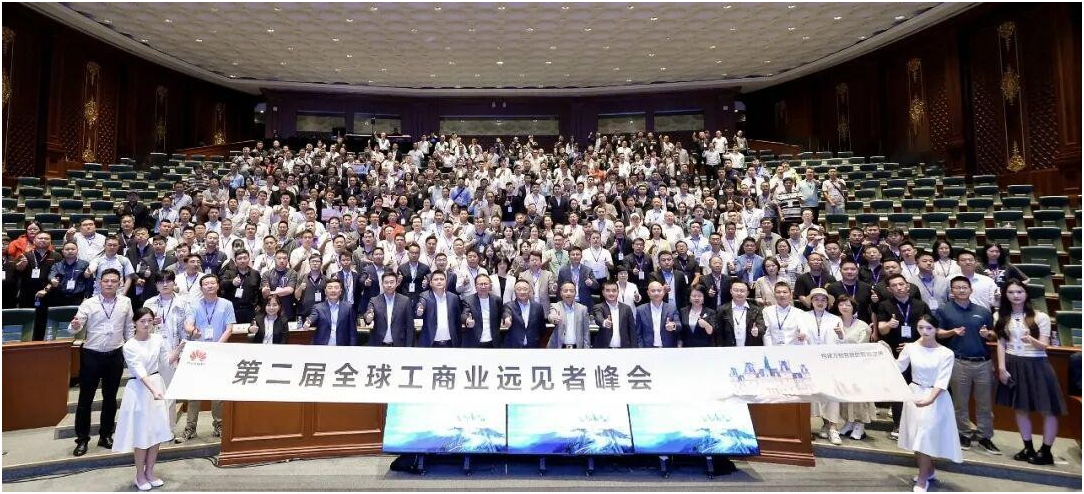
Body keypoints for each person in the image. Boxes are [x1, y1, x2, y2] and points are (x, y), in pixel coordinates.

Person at [993, 280, 1066, 465]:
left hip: (1037, 364)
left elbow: (1044, 345)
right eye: (1011, 292)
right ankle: (1028, 447)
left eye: (1019, 291)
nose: (1016, 295)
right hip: (1013, 363)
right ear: (1005, 295)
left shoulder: (1041, 316)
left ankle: (1046, 451)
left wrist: (1031, 340)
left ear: (1026, 294)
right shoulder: (999, 316)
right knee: (1020, 408)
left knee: (1048, 409)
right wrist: (1001, 367)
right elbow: (1001, 343)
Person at [67, 268, 134, 456]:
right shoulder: (89, 303)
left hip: (115, 355)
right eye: (106, 281)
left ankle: (106, 435)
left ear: (120, 283)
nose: (110, 284)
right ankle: (82, 439)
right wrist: (74, 326)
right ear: (99, 283)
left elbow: (129, 327)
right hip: (92, 355)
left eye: (114, 281)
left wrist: (131, 349)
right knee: (85, 400)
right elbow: (74, 328)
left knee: (110, 398)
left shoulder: (126, 302)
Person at [113, 308, 181, 491]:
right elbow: (139, 371)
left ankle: (150, 471)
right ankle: (139, 475)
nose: (146, 324)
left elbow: (167, 360)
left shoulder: (158, 339)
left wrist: (180, 348)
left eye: (149, 321)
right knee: (142, 434)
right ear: (134, 323)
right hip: (139, 389)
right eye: (142, 321)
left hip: (157, 383)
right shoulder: (129, 346)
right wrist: (153, 390)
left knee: (156, 431)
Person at [895, 315, 962, 493]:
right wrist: (882, 354)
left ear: (937, 330)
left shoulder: (946, 353)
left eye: (929, 328)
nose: (924, 331)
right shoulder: (910, 348)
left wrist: (930, 399)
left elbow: (942, 380)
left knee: (924, 437)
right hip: (914, 394)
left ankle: (922, 478)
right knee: (915, 436)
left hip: (936, 398)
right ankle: (929, 470)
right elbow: (898, 368)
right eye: (921, 327)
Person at [934, 275, 999, 454]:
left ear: (971, 290)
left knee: (984, 403)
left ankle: (985, 436)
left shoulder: (983, 311)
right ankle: (964, 434)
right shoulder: (944, 310)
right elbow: (937, 332)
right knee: (960, 403)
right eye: (957, 287)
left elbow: (994, 334)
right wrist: (952, 332)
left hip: (983, 362)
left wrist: (988, 335)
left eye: (964, 287)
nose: (961, 290)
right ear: (952, 291)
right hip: (958, 361)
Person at [179, 274, 236, 441]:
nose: (210, 286)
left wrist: (217, 346)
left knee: (217, 391)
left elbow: (229, 328)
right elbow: (188, 324)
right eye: (206, 284)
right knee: (194, 392)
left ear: (218, 285)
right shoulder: (194, 304)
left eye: (212, 283)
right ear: (201, 288)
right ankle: (190, 428)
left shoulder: (226, 304)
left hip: (219, 352)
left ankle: (219, 425)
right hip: (199, 354)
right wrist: (192, 330)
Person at [833, 295, 876, 440]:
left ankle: (860, 425)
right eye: (841, 304)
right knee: (845, 396)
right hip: (840, 366)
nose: (844, 307)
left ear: (854, 308)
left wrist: (842, 338)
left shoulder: (863, 326)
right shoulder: (834, 322)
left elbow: (859, 348)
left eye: (848, 305)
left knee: (859, 396)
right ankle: (849, 422)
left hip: (858, 367)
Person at [806, 288, 844, 445]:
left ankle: (832, 427)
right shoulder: (802, 317)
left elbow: (841, 342)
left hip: (829, 362)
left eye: (823, 299)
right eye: (816, 299)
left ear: (828, 302)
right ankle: (808, 427)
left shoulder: (835, 319)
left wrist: (841, 335)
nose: (820, 302)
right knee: (810, 394)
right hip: (808, 361)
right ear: (811, 301)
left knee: (831, 394)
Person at [364, 272, 415, 347]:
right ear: (382, 284)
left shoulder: (405, 301)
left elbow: (410, 326)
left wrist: (408, 346)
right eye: (386, 282)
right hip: (378, 345)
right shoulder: (374, 300)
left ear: (397, 283)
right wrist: (368, 318)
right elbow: (368, 313)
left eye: (392, 282)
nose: (389, 285)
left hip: (399, 345)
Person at [304, 279, 358, 346]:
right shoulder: (318, 307)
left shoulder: (348, 308)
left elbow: (352, 331)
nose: (333, 290)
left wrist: (353, 348)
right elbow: (314, 315)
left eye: (336, 288)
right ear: (325, 291)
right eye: (330, 288)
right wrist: (309, 321)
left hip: (342, 346)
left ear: (340, 291)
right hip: (322, 346)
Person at [416, 271, 463, 347]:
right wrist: (419, 311)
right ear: (430, 283)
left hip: (451, 343)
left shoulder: (453, 298)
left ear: (446, 282)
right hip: (430, 344)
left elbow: (458, 322)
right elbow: (421, 305)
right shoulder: (425, 296)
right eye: (436, 279)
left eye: (442, 279)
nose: (439, 281)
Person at [717, 280, 765, 347]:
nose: (739, 293)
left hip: (750, 348)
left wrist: (758, 330)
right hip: (729, 348)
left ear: (747, 293)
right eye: (736, 290)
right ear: (731, 291)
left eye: (742, 291)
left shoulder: (756, 309)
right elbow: (719, 333)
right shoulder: (722, 310)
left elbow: (762, 325)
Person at [501, 279, 546, 349]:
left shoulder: (538, 307)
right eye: (519, 289)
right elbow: (506, 313)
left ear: (530, 291)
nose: (522, 292)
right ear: (514, 291)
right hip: (514, 347)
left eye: (525, 289)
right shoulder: (508, 306)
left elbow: (542, 328)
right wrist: (507, 319)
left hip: (533, 346)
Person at [462, 273, 503, 348]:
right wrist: (467, 320)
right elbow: (464, 314)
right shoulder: (468, 300)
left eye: (485, 284)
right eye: (480, 284)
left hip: (493, 341)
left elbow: (499, 318)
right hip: (475, 341)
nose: (483, 286)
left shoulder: (497, 300)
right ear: (475, 286)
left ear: (490, 285)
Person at [592, 280, 636, 348]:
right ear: (603, 293)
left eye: (614, 290)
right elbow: (598, 317)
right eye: (608, 290)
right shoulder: (598, 307)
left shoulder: (626, 308)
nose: (611, 293)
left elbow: (632, 331)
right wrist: (604, 322)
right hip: (604, 349)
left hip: (624, 349)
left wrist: (634, 348)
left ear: (618, 292)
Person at [547, 282, 591, 349]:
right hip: (558, 347)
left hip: (577, 347)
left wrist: (586, 349)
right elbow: (551, 316)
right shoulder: (555, 306)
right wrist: (554, 318)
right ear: (561, 293)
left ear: (575, 293)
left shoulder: (583, 309)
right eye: (565, 291)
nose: (568, 293)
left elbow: (586, 333)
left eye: (571, 291)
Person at [636, 281, 680, 348]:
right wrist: (641, 349)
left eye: (659, 290)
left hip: (668, 348)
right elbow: (638, 333)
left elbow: (679, 325)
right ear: (648, 293)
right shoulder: (640, 310)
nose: (656, 293)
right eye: (653, 291)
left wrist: (673, 326)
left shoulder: (672, 308)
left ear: (663, 292)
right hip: (648, 349)